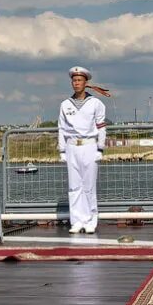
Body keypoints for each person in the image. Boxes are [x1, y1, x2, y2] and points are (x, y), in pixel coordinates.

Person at [57, 65, 107, 234]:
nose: (76, 83)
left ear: (86, 82)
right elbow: (62, 129)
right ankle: (77, 220)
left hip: (89, 146)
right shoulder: (65, 104)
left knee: (89, 185)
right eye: (74, 80)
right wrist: (62, 150)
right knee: (74, 186)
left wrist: (100, 148)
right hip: (72, 147)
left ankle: (91, 220)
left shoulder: (96, 103)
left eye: (79, 80)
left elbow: (101, 127)